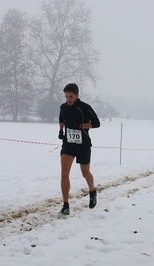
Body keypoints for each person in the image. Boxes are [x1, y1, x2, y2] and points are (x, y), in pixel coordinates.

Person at [58, 83, 100, 216]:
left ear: (77, 95)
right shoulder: (63, 107)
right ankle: (65, 205)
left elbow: (96, 123)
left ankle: (92, 191)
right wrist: (60, 130)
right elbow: (61, 119)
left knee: (85, 173)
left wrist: (80, 126)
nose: (68, 99)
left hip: (83, 145)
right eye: (66, 96)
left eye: (71, 96)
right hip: (68, 144)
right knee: (64, 173)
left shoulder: (85, 108)